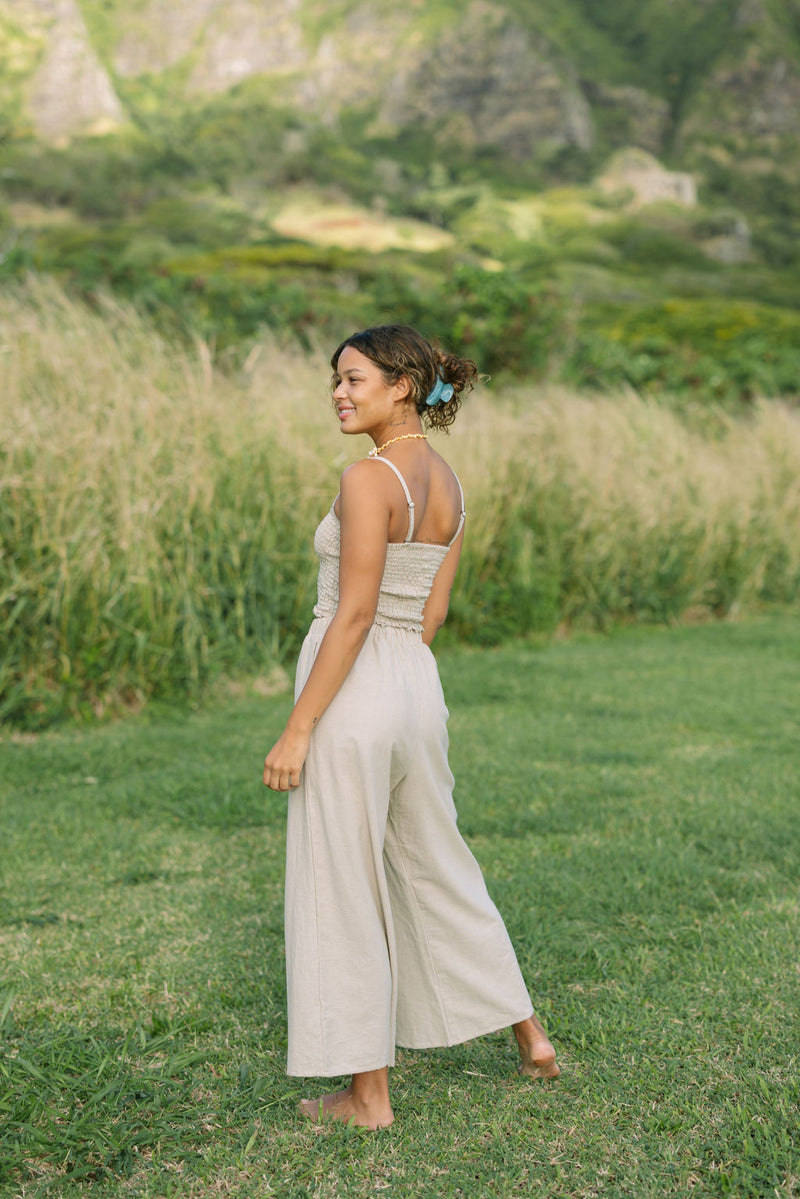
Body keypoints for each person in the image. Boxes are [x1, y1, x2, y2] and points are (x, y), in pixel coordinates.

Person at [263, 325, 558, 1130]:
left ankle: (367, 1095)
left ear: (402, 385)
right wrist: (398, 692)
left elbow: (353, 614)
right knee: (437, 861)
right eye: (335, 379)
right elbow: (431, 612)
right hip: (416, 688)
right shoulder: (450, 482)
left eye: (355, 378)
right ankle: (527, 1030)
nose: (339, 392)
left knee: (343, 880)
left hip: (356, 687)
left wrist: (300, 727)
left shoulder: (369, 479)